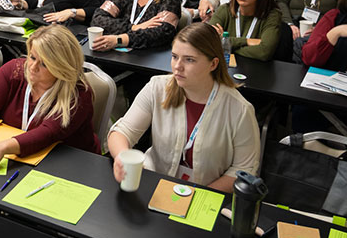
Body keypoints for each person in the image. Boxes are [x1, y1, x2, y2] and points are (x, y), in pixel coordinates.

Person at [108, 23, 259, 192]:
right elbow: (122, 131)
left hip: (207, 193)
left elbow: (243, 169)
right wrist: (121, 156)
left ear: (213, 64)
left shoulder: (239, 109)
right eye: (174, 57)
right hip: (155, 184)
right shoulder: (157, 87)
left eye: (189, 59)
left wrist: (201, 195)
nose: (177, 66)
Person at [0, 24, 99, 177]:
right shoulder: (14, 71)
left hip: (70, 166)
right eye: (32, 57)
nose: (32, 67)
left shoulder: (78, 93)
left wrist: (2, 147)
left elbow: (48, 133)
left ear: (62, 67)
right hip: (21, 158)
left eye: (44, 64)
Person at [209, 0, 282, 61]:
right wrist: (247, 41)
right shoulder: (225, 10)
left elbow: (264, 52)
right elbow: (209, 41)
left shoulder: (272, 15)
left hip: (257, 70)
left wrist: (226, 46)